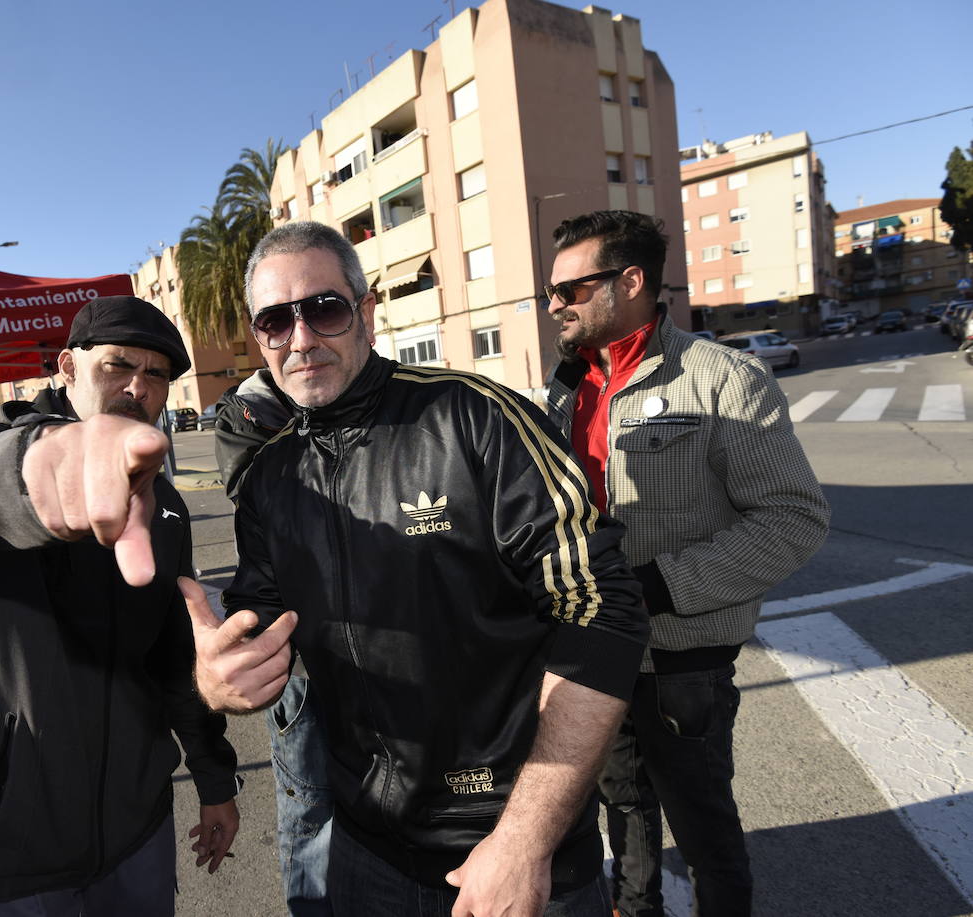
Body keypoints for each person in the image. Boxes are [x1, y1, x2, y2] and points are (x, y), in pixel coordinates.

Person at [188, 221, 649, 917]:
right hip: (366, 851)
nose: (301, 338)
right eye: (276, 321)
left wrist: (523, 842)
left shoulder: (477, 417)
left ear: (367, 313)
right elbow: (261, 631)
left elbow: (602, 609)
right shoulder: (270, 477)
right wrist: (219, 678)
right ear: (259, 339)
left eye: (324, 309)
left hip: (509, 847)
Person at [0, 295, 241, 915]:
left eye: (157, 374)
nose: (137, 386)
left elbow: (171, 657)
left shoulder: (164, 505)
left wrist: (216, 780)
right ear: (68, 367)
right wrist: (38, 468)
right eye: (118, 365)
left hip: (135, 832)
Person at [541, 210, 830, 917]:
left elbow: (793, 519)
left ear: (630, 281)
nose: (554, 306)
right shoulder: (567, 388)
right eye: (549, 292)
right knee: (624, 821)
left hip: (683, 661)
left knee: (705, 832)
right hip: (596, 652)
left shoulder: (723, 378)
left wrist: (656, 587)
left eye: (570, 290)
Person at [213, 370, 334, 917]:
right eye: (278, 328)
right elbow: (289, 506)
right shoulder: (250, 414)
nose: (302, 340)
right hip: (297, 666)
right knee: (311, 810)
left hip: (368, 656)